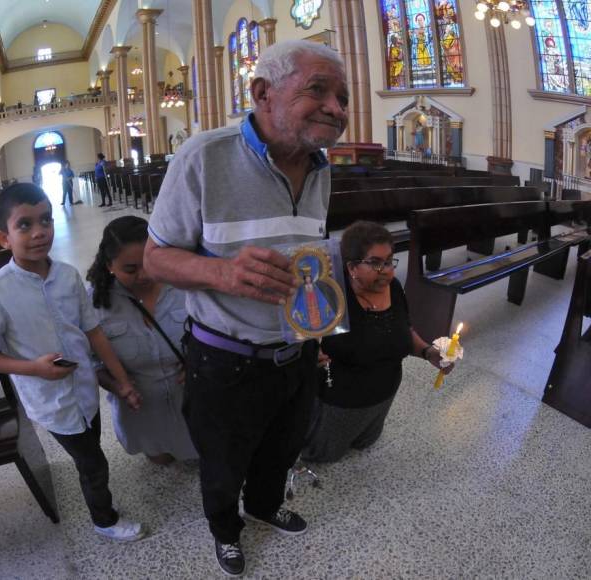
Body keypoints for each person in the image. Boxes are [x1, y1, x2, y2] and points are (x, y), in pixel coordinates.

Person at [143, 40, 349, 576]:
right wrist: (223, 273)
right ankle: (225, 529)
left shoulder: (321, 168)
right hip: (225, 358)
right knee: (222, 462)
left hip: (297, 350)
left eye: (343, 97)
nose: (337, 107)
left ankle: (263, 505)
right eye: (318, 91)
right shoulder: (203, 156)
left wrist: (319, 326)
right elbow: (155, 259)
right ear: (262, 93)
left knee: (282, 446)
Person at [0, 183, 147, 542]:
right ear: (3, 238)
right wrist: (34, 368)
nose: (39, 232)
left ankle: (98, 498)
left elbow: (94, 332)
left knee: (92, 449)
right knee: (92, 463)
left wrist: (122, 380)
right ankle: (104, 519)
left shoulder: (67, 276)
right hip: (51, 402)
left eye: (46, 220)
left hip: (84, 391)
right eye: (24, 225)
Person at [302, 221, 454, 463]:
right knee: (321, 455)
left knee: (366, 442)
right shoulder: (333, 295)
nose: (386, 270)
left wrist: (428, 352)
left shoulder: (392, 287)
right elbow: (302, 335)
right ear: (352, 267)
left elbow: (404, 330)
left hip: (383, 398)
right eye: (375, 263)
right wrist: (310, 352)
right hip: (341, 402)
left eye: (389, 261)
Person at [87, 216, 198, 465]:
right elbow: (91, 361)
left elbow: (216, 329)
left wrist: (197, 360)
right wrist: (118, 387)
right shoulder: (94, 304)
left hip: (191, 398)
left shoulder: (182, 283)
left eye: (149, 263)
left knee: (197, 452)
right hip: (142, 408)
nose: (144, 275)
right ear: (109, 265)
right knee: (159, 457)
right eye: (130, 269)